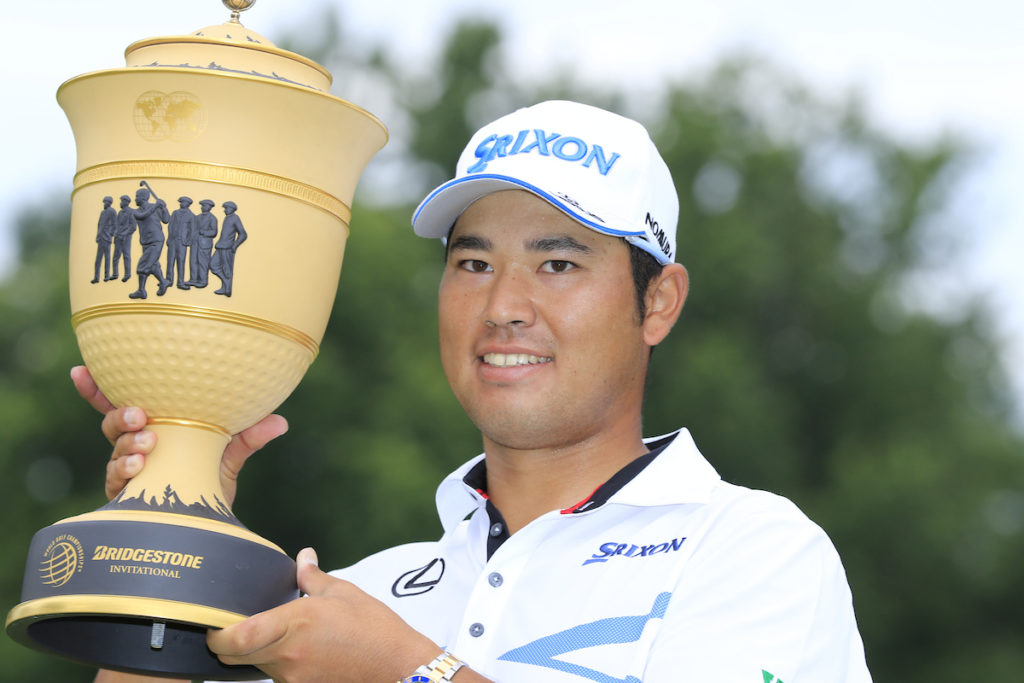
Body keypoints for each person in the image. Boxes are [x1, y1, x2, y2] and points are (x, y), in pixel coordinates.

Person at [80, 101, 871, 682]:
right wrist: (169, 536)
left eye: (557, 263)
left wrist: (408, 670)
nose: (503, 307)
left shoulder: (754, 552)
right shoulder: (358, 596)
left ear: (657, 301)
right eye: (473, 262)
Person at [92, 196, 117, 283]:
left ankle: (106, 276)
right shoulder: (102, 212)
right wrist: (98, 235)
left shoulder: (112, 211)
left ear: (109, 202)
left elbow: (115, 224)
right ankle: (96, 277)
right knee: (98, 259)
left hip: (107, 238)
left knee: (107, 258)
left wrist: (111, 233)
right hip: (101, 238)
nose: (104, 204)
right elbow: (99, 224)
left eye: (105, 202)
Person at [112, 195, 135, 282]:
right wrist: (115, 234)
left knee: (126, 255)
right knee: (115, 257)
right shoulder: (120, 213)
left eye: (122, 201)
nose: (120, 203)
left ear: (126, 202)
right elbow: (117, 225)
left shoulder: (131, 212)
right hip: (118, 237)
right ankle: (115, 274)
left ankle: (127, 274)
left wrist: (124, 234)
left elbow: (133, 227)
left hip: (126, 238)